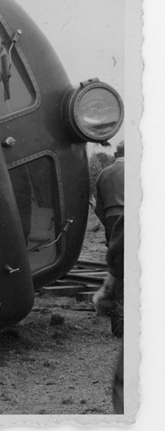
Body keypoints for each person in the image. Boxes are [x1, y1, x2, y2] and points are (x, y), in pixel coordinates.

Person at [92, 141, 124, 337]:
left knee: (117, 271)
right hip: (134, 217)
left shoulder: (104, 173)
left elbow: (98, 207)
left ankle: (118, 326)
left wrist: (109, 227)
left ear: (114, 153)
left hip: (112, 220)